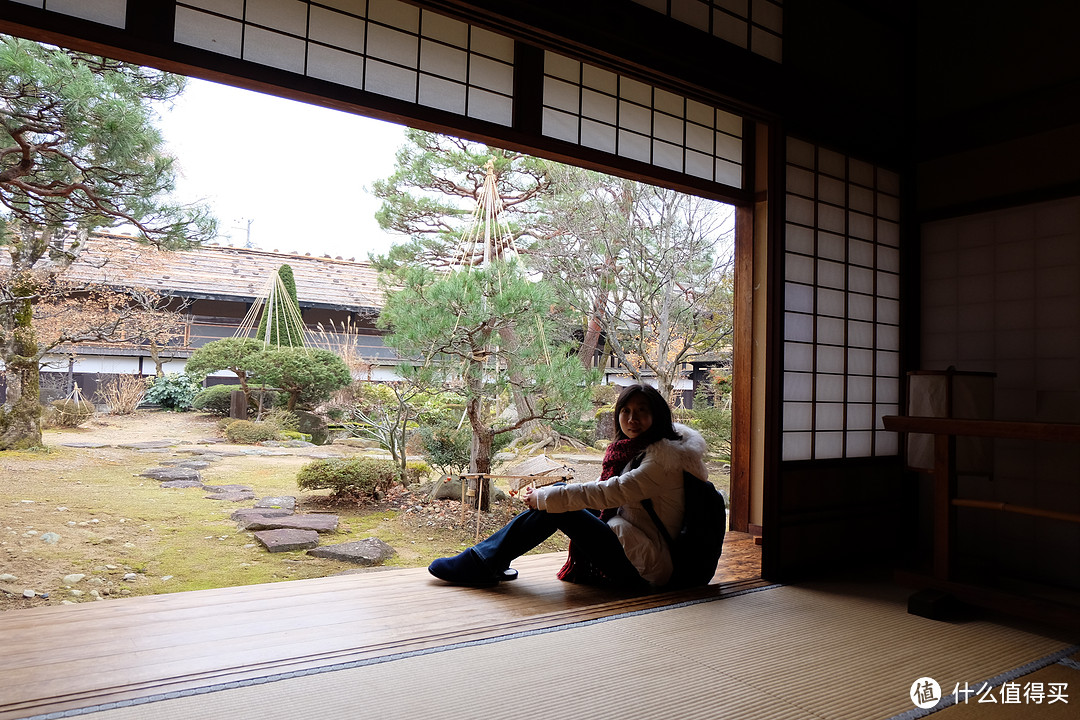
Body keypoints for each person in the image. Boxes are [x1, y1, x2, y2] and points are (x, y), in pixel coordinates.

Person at [428, 383, 709, 589]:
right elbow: (609, 489)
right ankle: (486, 561)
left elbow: (612, 492)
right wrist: (548, 498)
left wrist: (547, 496)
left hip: (647, 568)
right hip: (632, 545)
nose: (632, 419)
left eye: (642, 411)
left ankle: (483, 561)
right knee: (557, 506)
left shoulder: (662, 460)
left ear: (657, 416)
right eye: (626, 410)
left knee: (561, 508)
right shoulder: (639, 450)